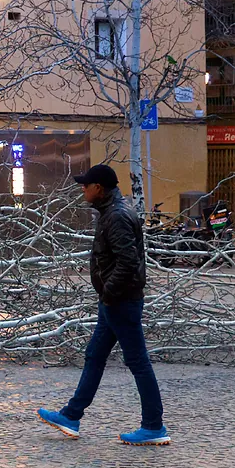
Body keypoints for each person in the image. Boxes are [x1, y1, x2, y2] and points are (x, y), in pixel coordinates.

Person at [36, 164, 169, 446]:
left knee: (138, 362)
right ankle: (71, 416)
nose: (82, 189)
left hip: (120, 301)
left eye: (86, 185)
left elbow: (128, 262)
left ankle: (154, 426)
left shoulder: (117, 217)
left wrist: (109, 292)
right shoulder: (112, 212)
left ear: (99, 188)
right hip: (114, 302)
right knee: (95, 355)